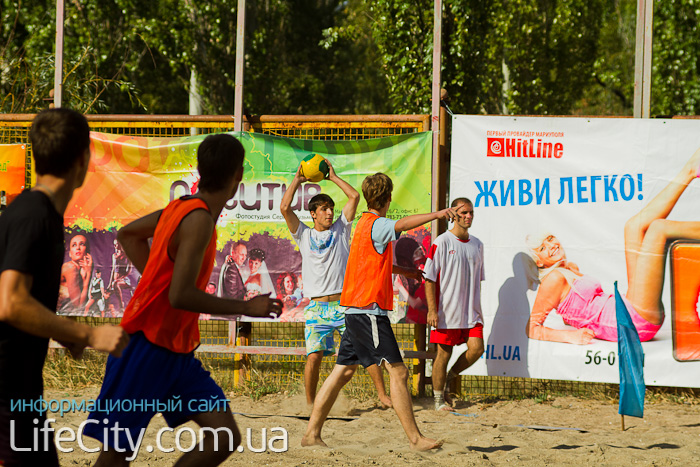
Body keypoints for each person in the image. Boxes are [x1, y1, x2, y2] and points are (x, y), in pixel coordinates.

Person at [84, 134, 282, 466]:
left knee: (223, 435)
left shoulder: (180, 208)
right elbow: (180, 295)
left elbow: (128, 235)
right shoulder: (198, 218)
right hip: (144, 346)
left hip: (175, 351)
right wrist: (247, 307)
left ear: (201, 171)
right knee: (115, 455)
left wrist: (155, 278)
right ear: (237, 176)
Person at [0, 108, 129, 467]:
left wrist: (62, 334)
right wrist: (86, 333)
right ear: (83, 159)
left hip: (22, 392)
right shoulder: (33, 214)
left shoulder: (41, 213)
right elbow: (9, 302)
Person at [301, 172, 457, 451]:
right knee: (398, 372)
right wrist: (439, 214)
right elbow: (404, 224)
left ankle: (311, 434)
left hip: (352, 309)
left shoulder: (361, 223)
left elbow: (370, 265)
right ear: (388, 198)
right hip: (368, 312)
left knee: (342, 372)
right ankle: (415, 439)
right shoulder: (378, 224)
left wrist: (404, 270)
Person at [525, 149, 700, 344]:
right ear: (538, 263)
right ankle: (689, 170)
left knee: (633, 227)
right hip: (631, 323)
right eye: (542, 248)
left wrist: (575, 321)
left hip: (625, 308)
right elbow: (532, 328)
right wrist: (570, 336)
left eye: (550, 238)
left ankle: (691, 171)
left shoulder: (570, 269)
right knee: (658, 229)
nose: (551, 245)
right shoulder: (553, 279)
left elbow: (574, 313)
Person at [281, 163, 391, 408]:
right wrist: (298, 180)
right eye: (323, 209)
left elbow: (353, 196)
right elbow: (285, 207)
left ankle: (383, 396)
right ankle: (311, 405)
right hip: (316, 309)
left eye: (331, 208)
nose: (329, 213)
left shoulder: (342, 229)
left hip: (343, 306)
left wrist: (332, 177)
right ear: (313, 214)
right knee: (314, 358)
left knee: (359, 357)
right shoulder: (303, 234)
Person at [424, 198, 485, 411]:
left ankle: (450, 377)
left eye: (471, 213)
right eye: (464, 213)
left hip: (471, 312)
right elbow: (429, 278)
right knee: (443, 354)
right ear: (454, 214)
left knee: (477, 349)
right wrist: (432, 310)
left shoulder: (478, 245)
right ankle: (439, 401)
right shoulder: (442, 242)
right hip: (447, 312)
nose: (468, 217)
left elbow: (478, 280)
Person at [59, 232, 93, 311]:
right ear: (70, 253)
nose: (78, 248)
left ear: (88, 250)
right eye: (74, 245)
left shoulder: (80, 270)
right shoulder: (71, 267)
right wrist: (88, 275)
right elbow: (79, 306)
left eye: (82, 244)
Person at [107, 238, 132, 311]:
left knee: (115, 284)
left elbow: (129, 269)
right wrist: (109, 284)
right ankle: (108, 311)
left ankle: (121, 306)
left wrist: (123, 277)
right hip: (115, 280)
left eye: (116, 244)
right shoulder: (114, 255)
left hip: (123, 280)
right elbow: (113, 270)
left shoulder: (126, 255)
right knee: (107, 292)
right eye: (114, 244)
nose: (115, 246)